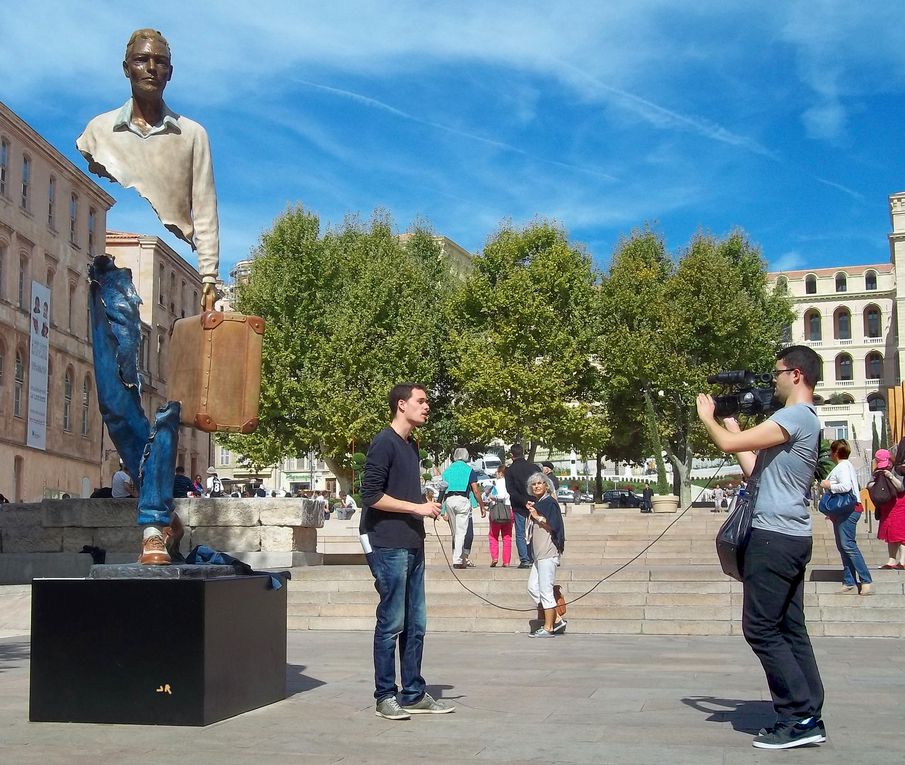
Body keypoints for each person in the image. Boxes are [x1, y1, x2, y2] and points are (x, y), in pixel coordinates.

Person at [696, 345, 826, 750]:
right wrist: (734, 427)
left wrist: (709, 419)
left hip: (773, 537)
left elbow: (727, 448)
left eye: (777, 373)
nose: (774, 380)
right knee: (789, 627)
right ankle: (809, 712)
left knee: (760, 628)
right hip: (789, 535)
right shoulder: (801, 421)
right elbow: (755, 469)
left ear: (797, 375)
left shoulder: (793, 415)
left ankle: (798, 716)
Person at [77, 28, 219, 294]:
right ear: (126, 68)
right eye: (141, 60)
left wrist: (208, 275)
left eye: (160, 62)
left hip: (168, 266)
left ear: (170, 72)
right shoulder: (98, 131)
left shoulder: (191, 134)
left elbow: (204, 208)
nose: (151, 68)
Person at [359, 383, 454, 720]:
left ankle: (413, 692)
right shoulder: (383, 442)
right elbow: (370, 495)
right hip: (388, 544)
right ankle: (385, 695)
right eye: (421, 401)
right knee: (391, 623)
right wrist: (417, 508)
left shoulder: (411, 445)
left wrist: (424, 506)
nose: (427, 407)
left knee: (417, 624)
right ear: (402, 405)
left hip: (414, 543)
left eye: (427, 401)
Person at [820, 439, 872, 595]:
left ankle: (866, 580)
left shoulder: (842, 467)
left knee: (848, 545)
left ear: (835, 452)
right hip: (844, 511)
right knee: (844, 546)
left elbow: (846, 486)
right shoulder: (846, 466)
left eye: (831, 451)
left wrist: (829, 485)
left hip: (848, 511)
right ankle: (849, 580)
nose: (830, 453)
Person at [525, 472, 566, 638]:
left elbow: (553, 526)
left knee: (545, 590)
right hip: (539, 554)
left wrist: (537, 516)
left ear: (546, 485)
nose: (536, 486)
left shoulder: (550, 503)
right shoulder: (540, 503)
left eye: (540, 483)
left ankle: (549, 627)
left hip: (548, 552)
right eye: (533, 484)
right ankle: (555, 617)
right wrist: (533, 511)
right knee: (533, 587)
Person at [441, 448, 486, 569]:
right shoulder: (469, 470)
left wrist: (442, 509)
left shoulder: (447, 471)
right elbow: (475, 490)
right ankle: (459, 559)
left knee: (454, 531)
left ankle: (456, 556)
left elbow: (443, 489)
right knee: (461, 531)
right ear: (466, 456)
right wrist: (481, 505)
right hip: (462, 499)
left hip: (449, 500)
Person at [505, 444, 540, 569]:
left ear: (512, 455)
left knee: (520, 533)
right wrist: (533, 500)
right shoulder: (534, 468)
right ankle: (533, 556)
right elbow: (540, 485)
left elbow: (511, 490)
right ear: (523, 453)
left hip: (519, 505)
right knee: (534, 530)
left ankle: (525, 560)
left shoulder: (509, 470)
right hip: (535, 504)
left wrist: (524, 501)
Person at [869, 449, 905, 569]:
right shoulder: (877, 472)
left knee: (900, 533)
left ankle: (903, 560)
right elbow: (869, 485)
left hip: (899, 504)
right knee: (890, 533)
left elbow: (901, 488)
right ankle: (891, 559)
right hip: (887, 506)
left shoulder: (897, 470)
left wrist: (890, 477)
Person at [487, 465, 513, 567]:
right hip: (508, 510)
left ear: (500, 473)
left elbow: (500, 496)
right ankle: (506, 561)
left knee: (493, 535)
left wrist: (492, 497)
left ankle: (495, 557)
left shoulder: (498, 482)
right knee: (507, 536)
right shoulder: (510, 482)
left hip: (496, 511)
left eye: (497, 472)